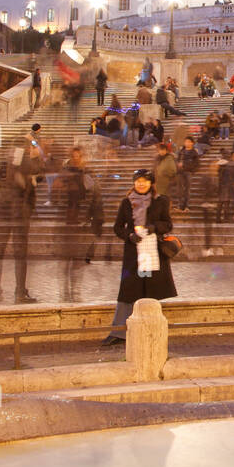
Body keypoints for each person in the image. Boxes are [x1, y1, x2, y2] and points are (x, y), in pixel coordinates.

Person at [102, 169, 176, 347]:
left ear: (151, 184)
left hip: (152, 251)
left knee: (151, 290)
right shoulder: (126, 202)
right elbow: (118, 227)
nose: (141, 184)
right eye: (138, 181)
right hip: (133, 252)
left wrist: (153, 227)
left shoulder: (161, 201)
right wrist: (129, 236)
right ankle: (119, 332)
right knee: (128, 291)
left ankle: (151, 330)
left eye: (145, 181)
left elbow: (168, 224)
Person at [0, 146, 44, 304]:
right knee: (17, 254)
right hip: (16, 214)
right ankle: (18, 292)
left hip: (7, 213)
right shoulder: (22, 162)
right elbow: (38, 171)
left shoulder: (5, 164)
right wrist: (36, 158)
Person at [60, 148, 104, 301]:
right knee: (66, 259)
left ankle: (76, 290)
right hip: (68, 219)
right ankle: (65, 289)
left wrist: (89, 216)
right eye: (74, 156)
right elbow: (59, 194)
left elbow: (93, 195)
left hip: (81, 219)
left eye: (78, 156)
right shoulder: (65, 173)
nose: (76, 159)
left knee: (78, 258)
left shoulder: (87, 173)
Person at [176, 136, 200, 210]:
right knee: (180, 189)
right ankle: (180, 205)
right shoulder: (181, 151)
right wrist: (178, 164)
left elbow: (196, 164)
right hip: (180, 172)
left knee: (187, 189)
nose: (187, 143)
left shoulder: (194, 152)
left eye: (189, 142)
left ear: (192, 143)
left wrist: (186, 166)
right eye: (186, 141)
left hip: (188, 172)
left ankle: (187, 205)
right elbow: (177, 160)